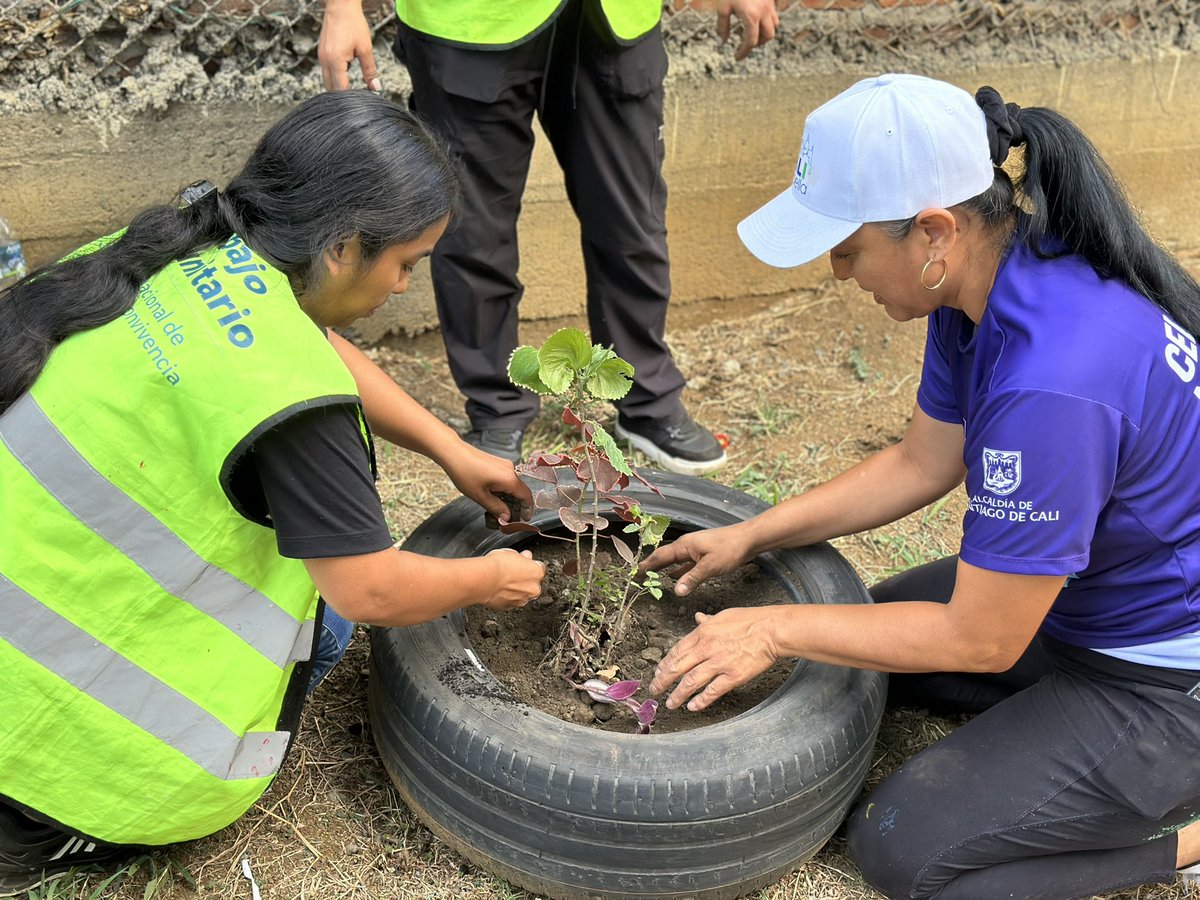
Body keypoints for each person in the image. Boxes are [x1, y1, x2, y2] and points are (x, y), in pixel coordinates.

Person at [643, 74, 1200, 898]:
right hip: (1080, 596)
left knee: (905, 847)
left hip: (1163, 681)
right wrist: (752, 534)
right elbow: (922, 463)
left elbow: (982, 641)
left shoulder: (1054, 381)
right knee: (855, 649)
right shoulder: (988, 282)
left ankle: (1183, 843)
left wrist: (772, 628)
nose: (837, 271)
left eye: (847, 248)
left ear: (934, 232)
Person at [0, 91, 547, 896]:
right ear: (342, 248)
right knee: (323, 622)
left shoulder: (170, 245)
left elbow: (304, 341)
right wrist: (491, 577)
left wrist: (447, 446)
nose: (404, 286)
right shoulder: (294, 406)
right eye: (406, 263)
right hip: (61, 771)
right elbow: (369, 589)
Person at [317, 0, 780, 474]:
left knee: (631, 222)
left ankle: (646, 399)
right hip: (472, 22)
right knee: (473, 232)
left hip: (615, 17)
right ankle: (497, 409)